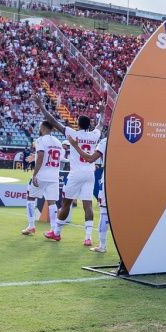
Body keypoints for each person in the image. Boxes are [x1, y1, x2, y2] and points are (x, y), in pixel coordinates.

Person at [40, 101, 101, 247]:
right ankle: (88, 238)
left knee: (66, 203)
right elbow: (100, 125)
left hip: (76, 173)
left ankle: (56, 233)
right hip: (90, 173)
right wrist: (103, 112)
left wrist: (41, 106)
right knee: (88, 205)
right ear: (89, 126)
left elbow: (53, 121)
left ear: (78, 124)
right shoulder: (94, 135)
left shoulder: (72, 133)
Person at [22, 120, 64, 237]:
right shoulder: (58, 142)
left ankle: (31, 226)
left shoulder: (40, 140)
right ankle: (54, 230)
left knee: (30, 197)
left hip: (42, 175)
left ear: (43, 128)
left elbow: (41, 156)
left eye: (40, 127)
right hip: (54, 176)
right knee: (52, 202)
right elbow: (56, 157)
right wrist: (34, 156)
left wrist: (35, 174)